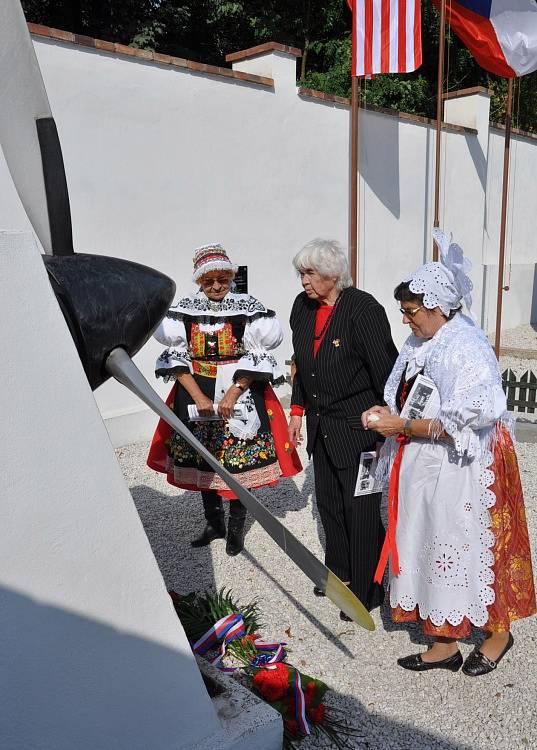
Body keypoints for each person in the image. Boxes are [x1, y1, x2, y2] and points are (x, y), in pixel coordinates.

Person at [363, 230, 536, 675]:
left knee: (478, 547)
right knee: (431, 542)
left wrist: (401, 425)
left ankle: (498, 634)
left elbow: (473, 416)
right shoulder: (423, 341)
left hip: (468, 467)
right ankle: (443, 641)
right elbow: (411, 393)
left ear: (439, 308)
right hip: (427, 460)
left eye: (411, 311)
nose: (406, 319)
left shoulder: (468, 348)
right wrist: (392, 412)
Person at [147, 243, 301, 555]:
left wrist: (233, 391)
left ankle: (235, 527)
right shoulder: (185, 311)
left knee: (237, 463)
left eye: (223, 279)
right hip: (197, 392)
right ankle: (213, 522)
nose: (217, 286)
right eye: (209, 281)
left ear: (231, 277)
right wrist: (198, 397)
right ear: (199, 282)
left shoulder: (248, 308)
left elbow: (260, 355)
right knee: (205, 459)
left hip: (242, 392)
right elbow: (177, 360)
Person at [288, 238, 398, 619]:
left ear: (333, 274)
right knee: (329, 504)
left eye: (310, 273)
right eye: (301, 273)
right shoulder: (302, 309)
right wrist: (296, 412)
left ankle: (368, 588)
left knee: (361, 509)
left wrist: (388, 420)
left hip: (359, 427)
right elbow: (302, 364)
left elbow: (388, 371)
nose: (303, 281)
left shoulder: (363, 309)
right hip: (322, 427)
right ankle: (341, 577)